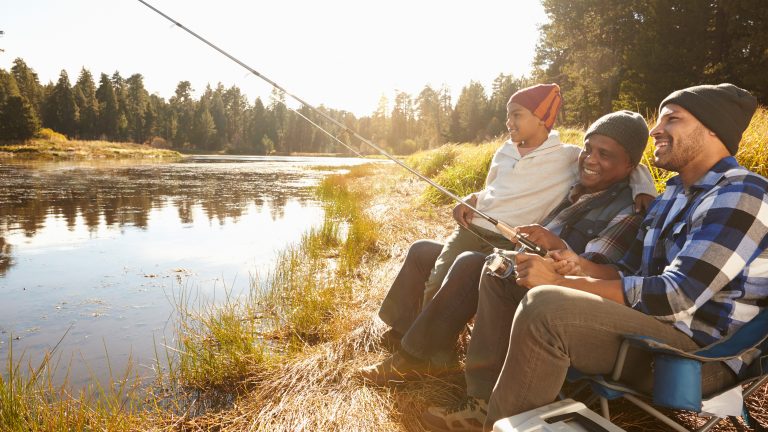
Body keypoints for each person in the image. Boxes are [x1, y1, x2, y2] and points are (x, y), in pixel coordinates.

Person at [424, 83, 768, 432]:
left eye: (673, 119)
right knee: (504, 272)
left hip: (699, 352)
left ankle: (500, 422)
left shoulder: (740, 193)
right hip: (649, 323)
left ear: (713, 131)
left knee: (546, 306)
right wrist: (573, 264)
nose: (656, 129)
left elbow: (675, 296)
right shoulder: (672, 195)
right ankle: (483, 402)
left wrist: (561, 283)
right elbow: (626, 270)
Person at [359, 110, 653, 388]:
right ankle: (405, 334)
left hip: (551, 287)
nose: (590, 159)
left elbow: (592, 272)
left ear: (629, 166)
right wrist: (475, 198)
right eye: (588, 149)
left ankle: (413, 359)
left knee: (471, 263)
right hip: (519, 260)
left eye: (605, 154)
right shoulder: (575, 179)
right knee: (424, 251)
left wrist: (557, 246)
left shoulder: (628, 209)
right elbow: (509, 187)